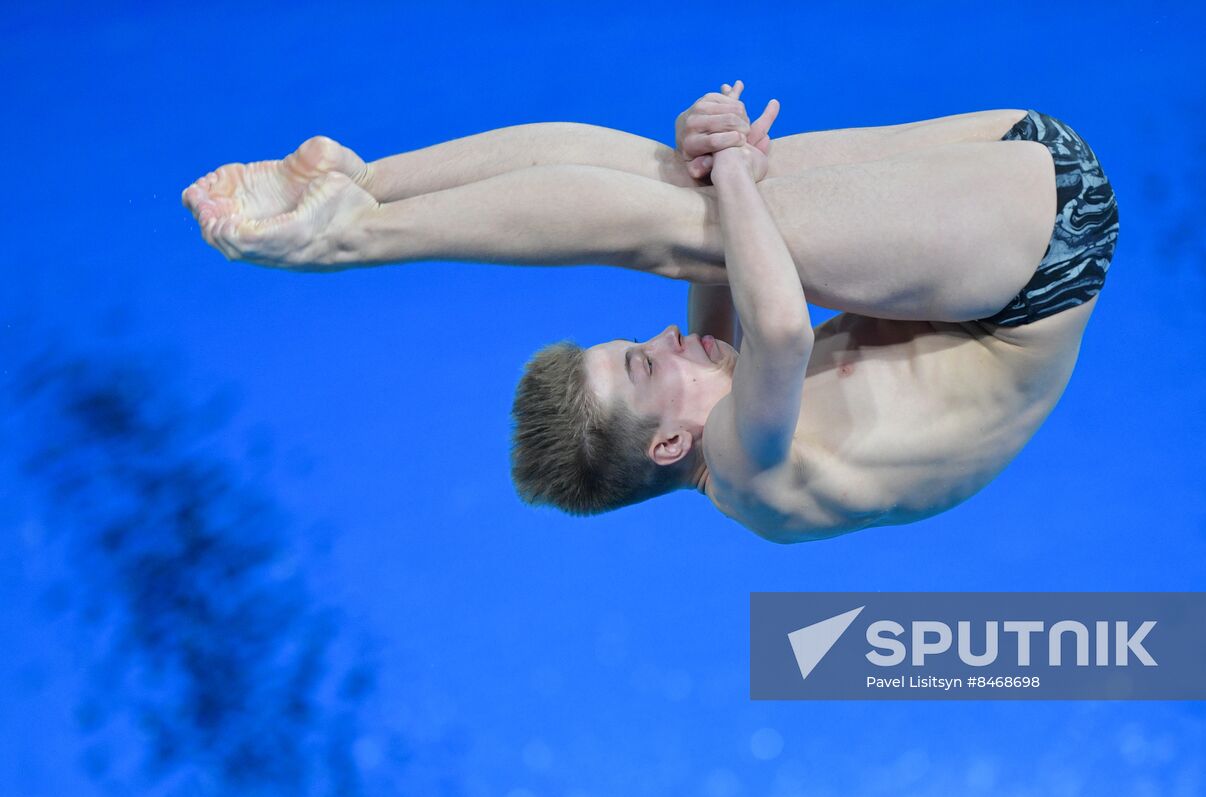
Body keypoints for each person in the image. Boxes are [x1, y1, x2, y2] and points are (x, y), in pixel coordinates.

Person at [181, 81, 1118, 543]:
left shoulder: (716, 419)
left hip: (1015, 190)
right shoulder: (751, 477)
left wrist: (707, 145)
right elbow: (782, 329)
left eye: (635, 346)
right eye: (642, 365)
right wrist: (740, 173)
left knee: (669, 184)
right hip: (1037, 258)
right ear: (671, 445)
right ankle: (350, 238)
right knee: (679, 221)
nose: (665, 337)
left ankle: (368, 182)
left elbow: (721, 256)